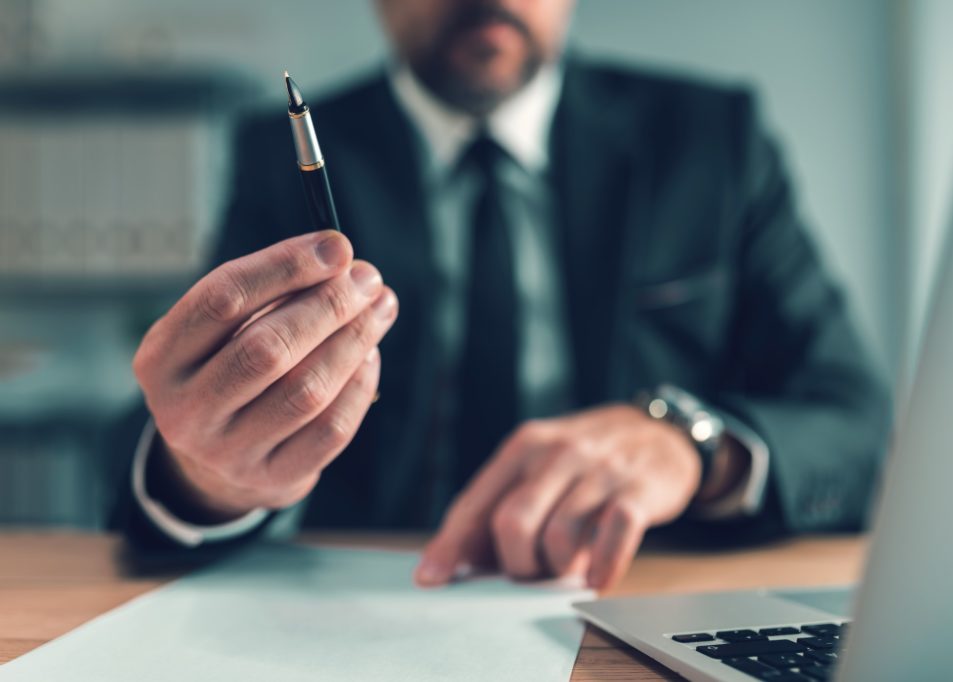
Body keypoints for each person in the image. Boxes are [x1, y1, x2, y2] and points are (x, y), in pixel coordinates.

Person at [111, 0, 891, 590]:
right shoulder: (278, 155)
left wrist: (690, 444)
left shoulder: (711, 138)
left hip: (637, 594)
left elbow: (854, 422)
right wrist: (215, 471)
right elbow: (167, 431)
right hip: (364, 611)